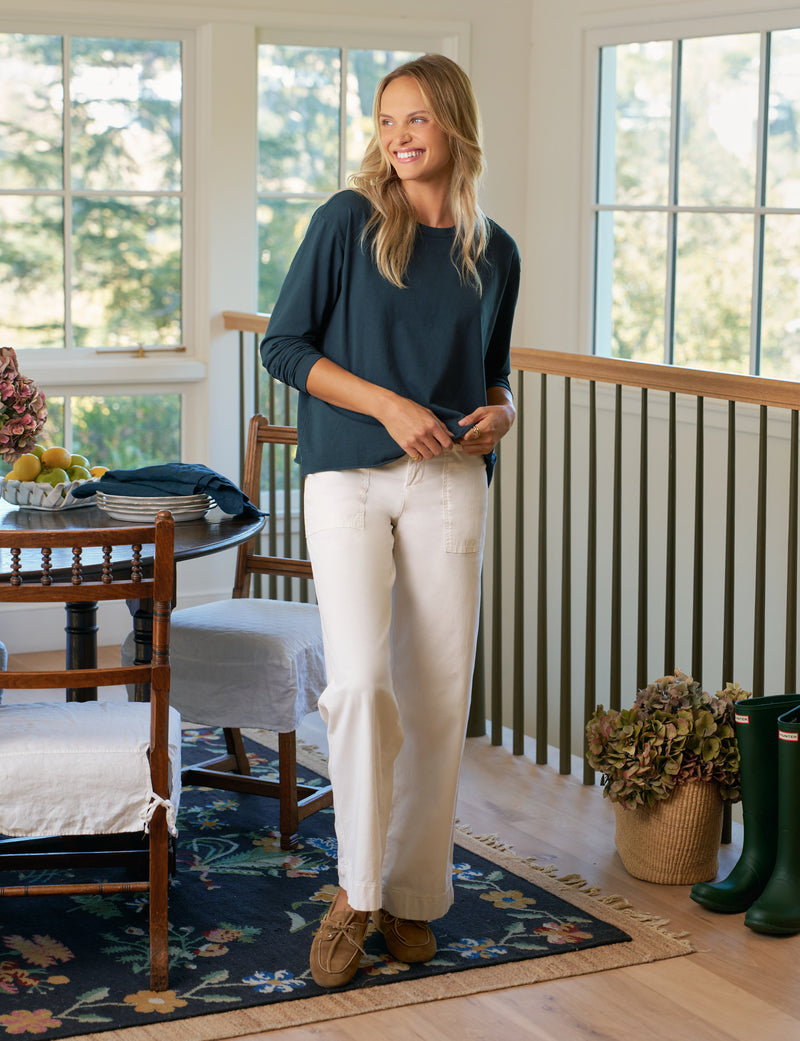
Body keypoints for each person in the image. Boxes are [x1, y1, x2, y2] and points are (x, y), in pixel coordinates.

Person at [261, 53, 520, 989]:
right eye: (386, 121)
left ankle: (413, 897)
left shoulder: (496, 250)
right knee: (362, 682)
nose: (399, 136)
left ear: (454, 124)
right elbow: (282, 346)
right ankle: (356, 891)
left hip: (451, 476)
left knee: (438, 694)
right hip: (349, 478)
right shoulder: (346, 222)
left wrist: (503, 413)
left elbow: (490, 371)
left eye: (416, 119)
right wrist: (385, 407)